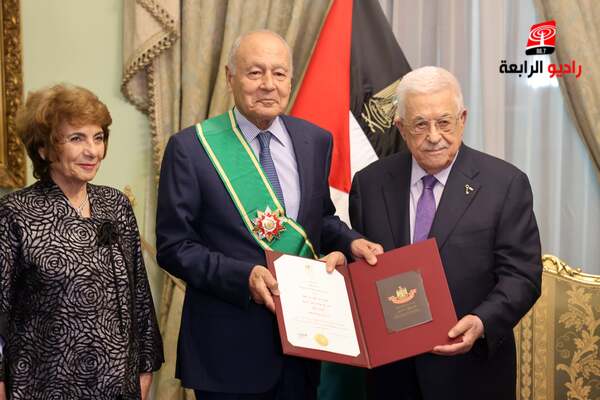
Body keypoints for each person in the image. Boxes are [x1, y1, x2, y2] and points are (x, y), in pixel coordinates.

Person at [155, 30, 383, 400]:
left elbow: (320, 218)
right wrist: (242, 276)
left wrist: (351, 242)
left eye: (279, 73)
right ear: (230, 77)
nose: (268, 84)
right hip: (227, 352)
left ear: (290, 79)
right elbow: (174, 247)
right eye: (254, 72)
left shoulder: (315, 140)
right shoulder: (192, 148)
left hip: (304, 346)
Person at [349, 66, 542, 400]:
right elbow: (361, 267)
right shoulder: (369, 184)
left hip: (472, 374)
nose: (434, 135)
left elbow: (523, 275)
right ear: (401, 127)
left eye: (444, 122)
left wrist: (482, 321)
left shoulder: (505, 184)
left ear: (462, 119)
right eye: (420, 124)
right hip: (392, 377)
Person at [0, 84, 164, 400]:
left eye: (98, 137)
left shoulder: (115, 205)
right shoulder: (15, 213)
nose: (93, 151)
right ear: (44, 148)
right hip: (43, 384)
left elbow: (139, 298)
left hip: (117, 385)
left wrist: (145, 369)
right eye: (77, 138)